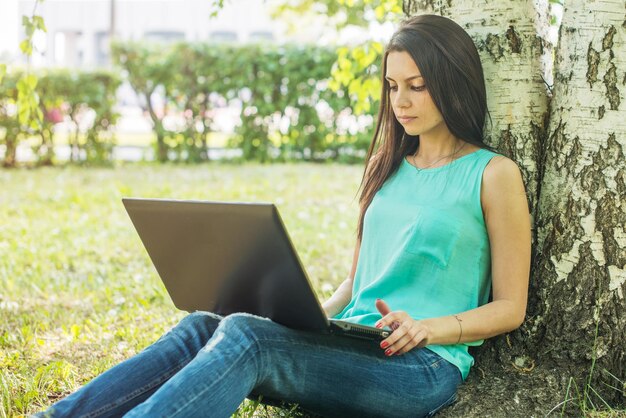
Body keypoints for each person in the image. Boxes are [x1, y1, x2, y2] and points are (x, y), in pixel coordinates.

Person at [35, 14, 530, 418]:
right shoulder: (387, 167)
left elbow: (511, 307)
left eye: (417, 86)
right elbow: (355, 284)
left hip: (420, 367)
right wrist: (299, 313)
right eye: (393, 86)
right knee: (208, 323)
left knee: (249, 340)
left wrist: (429, 327)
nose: (400, 101)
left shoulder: (492, 174)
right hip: (353, 342)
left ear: (451, 81)